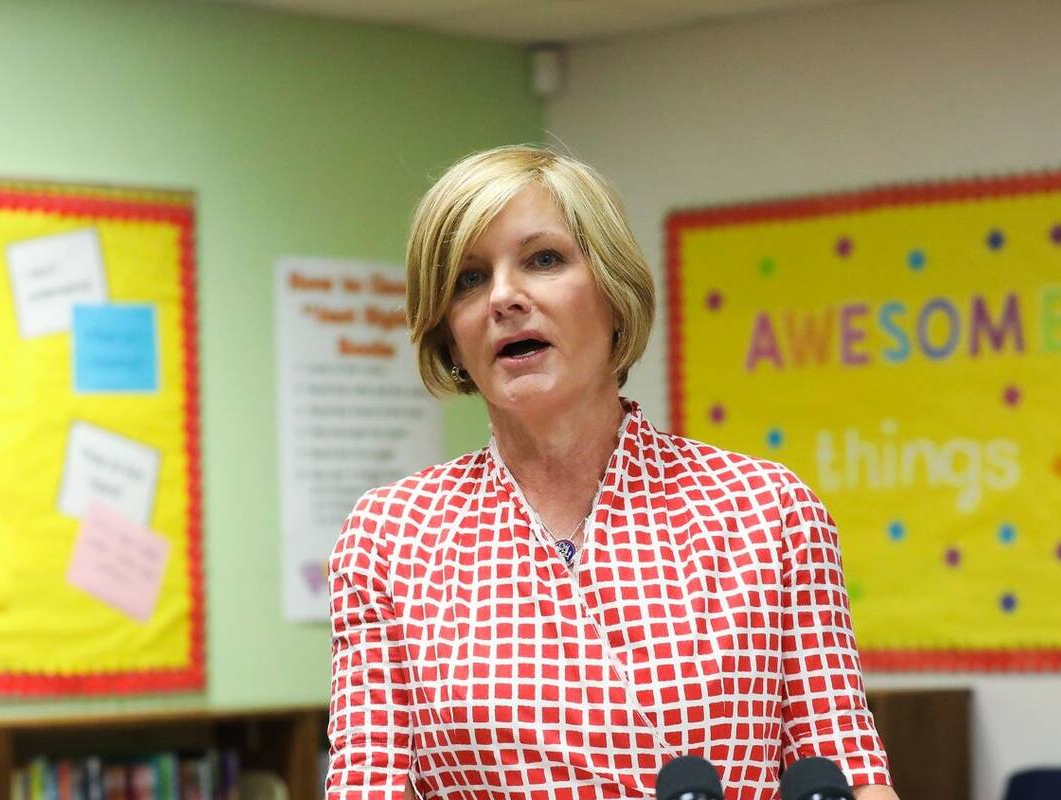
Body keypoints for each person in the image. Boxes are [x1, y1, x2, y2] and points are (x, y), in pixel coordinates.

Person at [327, 145, 898, 800]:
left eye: (543, 260)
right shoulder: (390, 536)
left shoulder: (768, 512)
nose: (504, 298)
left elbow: (849, 770)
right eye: (469, 279)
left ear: (615, 294)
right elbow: (365, 785)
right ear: (449, 335)